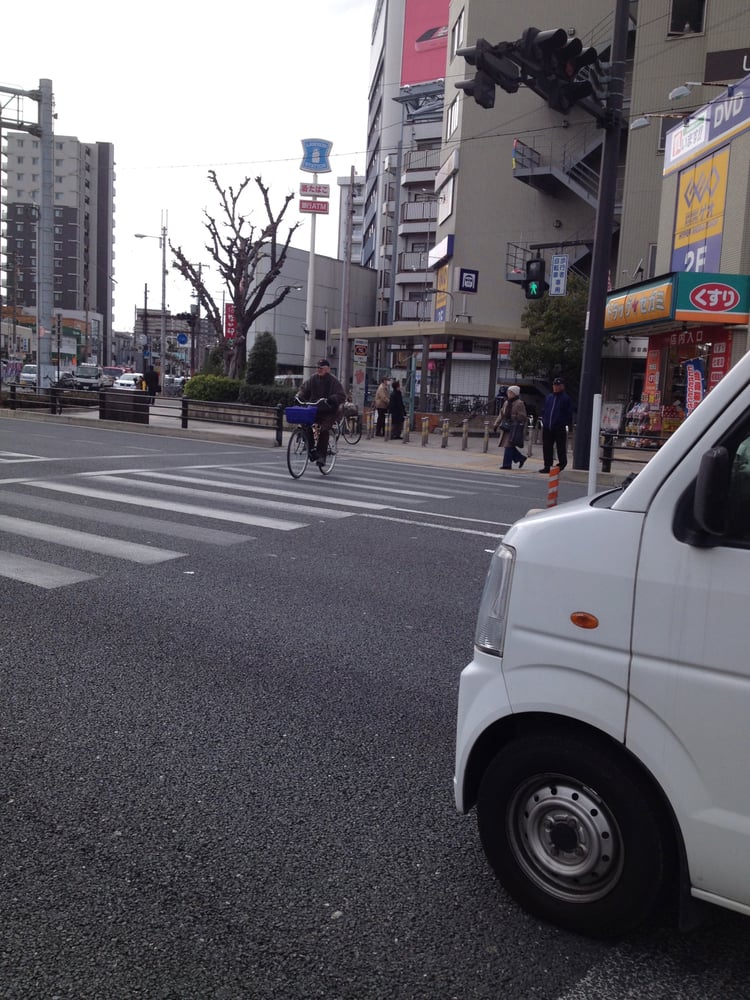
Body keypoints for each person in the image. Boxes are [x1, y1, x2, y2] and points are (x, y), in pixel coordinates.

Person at [296, 359, 346, 466]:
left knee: (323, 429)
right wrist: (299, 397)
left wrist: (333, 399)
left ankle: (321, 455)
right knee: (306, 425)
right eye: (318, 368)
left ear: (327, 369)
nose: (319, 370)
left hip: (330, 411)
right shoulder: (313, 379)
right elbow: (304, 389)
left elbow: (341, 395)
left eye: (321, 368)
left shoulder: (333, 381)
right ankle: (311, 449)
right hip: (315, 408)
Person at [540, 376, 573, 472]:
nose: (556, 387)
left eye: (558, 385)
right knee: (547, 446)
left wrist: (565, 423)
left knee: (560, 446)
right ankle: (547, 465)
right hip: (547, 426)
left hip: (559, 426)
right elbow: (544, 410)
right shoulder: (549, 397)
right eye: (554, 385)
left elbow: (568, 413)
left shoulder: (566, 398)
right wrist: (544, 420)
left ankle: (562, 464)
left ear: (562, 386)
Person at [493, 384, 527, 470]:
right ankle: (520, 458)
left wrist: (514, 417)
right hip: (506, 426)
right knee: (508, 445)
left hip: (514, 427)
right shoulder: (506, 402)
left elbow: (523, 416)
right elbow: (501, 414)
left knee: (508, 445)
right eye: (508, 392)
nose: (509, 394)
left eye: (511, 392)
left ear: (515, 393)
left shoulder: (519, 403)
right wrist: (496, 423)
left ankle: (507, 464)